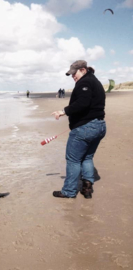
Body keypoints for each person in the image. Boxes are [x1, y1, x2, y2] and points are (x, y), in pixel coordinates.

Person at [51, 60, 106, 199]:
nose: (73, 76)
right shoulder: (94, 81)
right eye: (71, 74)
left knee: (73, 160)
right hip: (99, 126)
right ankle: (87, 188)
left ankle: (69, 191)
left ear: (82, 70)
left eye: (74, 73)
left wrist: (63, 111)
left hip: (85, 128)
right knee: (87, 157)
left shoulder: (85, 82)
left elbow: (83, 103)